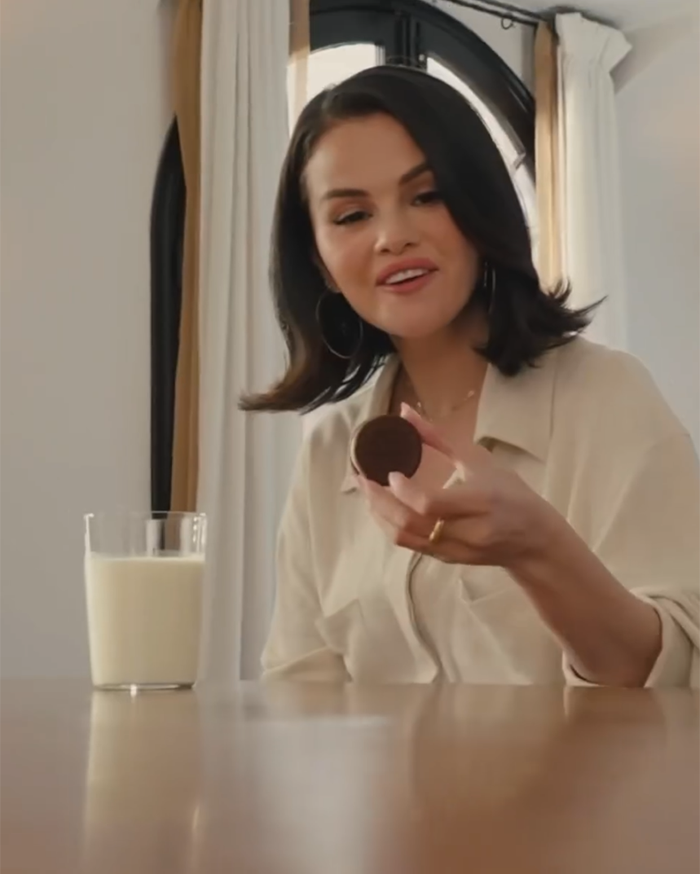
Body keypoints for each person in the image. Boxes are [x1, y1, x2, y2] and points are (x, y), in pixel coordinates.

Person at [240, 65, 700, 687]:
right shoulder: (328, 456)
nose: (393, 237)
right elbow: (298, 698)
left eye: (425, 195)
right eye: (352, 216)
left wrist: (538, 548)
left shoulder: (608, 399)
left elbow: (675, 684)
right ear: (319, 261)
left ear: (480, 207)